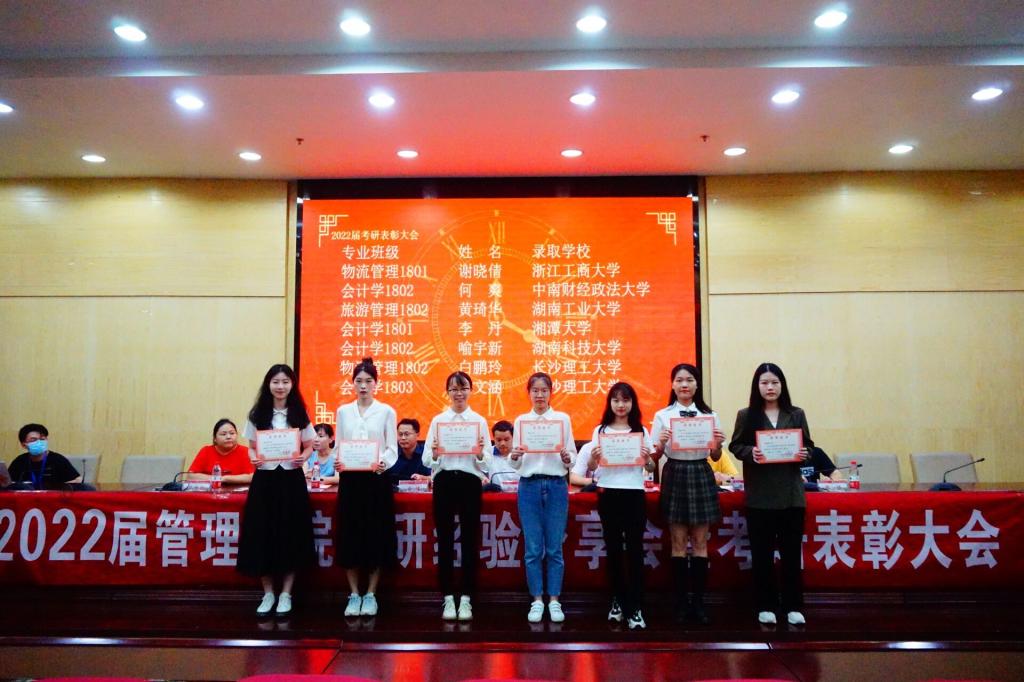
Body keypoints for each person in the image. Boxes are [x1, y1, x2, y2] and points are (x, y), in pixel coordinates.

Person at [728, 362, 813, 627]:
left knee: (791, 554)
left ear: (782, 385)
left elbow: (809, 446)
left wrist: (804, 454)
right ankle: (766, 605)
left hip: (791, 495)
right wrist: (750, 452)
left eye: (775, 382)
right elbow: (735, 445)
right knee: (762, 554)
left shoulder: (796, 414)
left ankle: (793, 605)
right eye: (764, 383)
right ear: (757, 387)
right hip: (760, 496)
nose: (770, 387)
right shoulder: (747, 415)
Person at [574, 382, 655, 630]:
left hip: (634, 494)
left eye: (626, 400)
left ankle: (636, 606)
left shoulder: (641, 430)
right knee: (613, 550)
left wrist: (648, 458)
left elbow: (651, 467)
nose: (621, 405)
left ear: (633, 403)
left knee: (635, 551)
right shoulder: (601, 430)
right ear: (610, 403)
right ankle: (617, 601)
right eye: (616, 400)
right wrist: (595, 458)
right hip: (608, 493)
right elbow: (591, 466)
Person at [237, 364, 316, 617]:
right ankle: (268, 593)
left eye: (285, 382)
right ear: (268, 384)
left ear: (292, 385)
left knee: (291, 534)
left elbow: (309, 445)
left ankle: (286, 594)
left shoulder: (299, 412)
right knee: (263, 533)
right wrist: (253, 457)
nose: (280, 386)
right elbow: (251, 446)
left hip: (292, 479)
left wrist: (304, 457)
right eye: (275, 382)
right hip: (265, 480)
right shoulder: (257, 413)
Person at [651, 363, 726, 625]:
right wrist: (660, 443)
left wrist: (718, 445)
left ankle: (699, 602)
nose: (684, 385)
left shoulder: (709, 415)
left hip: (700, 471)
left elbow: (715, 456)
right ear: (672, 385)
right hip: (675, 471)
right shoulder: (662, 415)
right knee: (678, 542)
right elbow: (653, 457)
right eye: (679, 380)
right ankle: (681, 602)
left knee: (701, 541)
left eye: (690, 380)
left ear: (697, 384)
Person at [422, 371, 491, 621]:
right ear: (447, 392)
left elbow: (487, 463)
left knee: (470, 541)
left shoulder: (479, 421)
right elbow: (426, 459)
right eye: (453, 389)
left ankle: (467, 598)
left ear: (470, 391)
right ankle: (448, 597)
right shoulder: (439, 421)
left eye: (463, 389)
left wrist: (480, 453)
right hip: (444, 481)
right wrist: (435, 453)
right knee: (445, 540)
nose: (458, 393)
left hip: (470, 482)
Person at [333, 357, 399, 618]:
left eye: (368, 381)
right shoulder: (343, 412)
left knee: (375, 535)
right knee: (350, 535)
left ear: (376, 384)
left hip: (376, 480)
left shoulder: (386, 411)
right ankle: (353, 594)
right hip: (350, 481)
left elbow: (391, 448)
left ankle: (370, 594)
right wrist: (338, 461)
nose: (363, 386)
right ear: (352, 383)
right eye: (358, 381)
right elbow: (339, 445)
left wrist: (383, 463)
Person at [509, 372, 577, 623]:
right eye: (535, 390)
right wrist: (514, 456)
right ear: (529, 393)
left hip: (557, 485)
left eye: (544, 390)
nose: (539, 395)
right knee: (533, 548)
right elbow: (515, 464)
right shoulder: (521, 421)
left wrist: (568, 458)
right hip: (529, 486)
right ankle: (537, 600)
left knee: (554, 547)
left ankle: (554, 600)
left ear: (551, 393)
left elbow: (572, 457)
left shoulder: (562, 419)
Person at [8, 423, 81, 489]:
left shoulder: (58, 460)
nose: (39, 442)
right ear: (24, 445)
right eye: (34, 440)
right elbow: (8, 484)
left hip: (52, 497)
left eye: (42, 439)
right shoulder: (19, 461)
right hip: (26, 498)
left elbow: (77, 480)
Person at [187, 418, 254, 485]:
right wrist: (218, 479)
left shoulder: (246, 451)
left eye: (232, 433)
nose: (228, 437)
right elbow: (190, 476)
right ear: (215, 438)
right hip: (211, 490)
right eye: (223, 434)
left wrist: (226, 479)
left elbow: (252, 477)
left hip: (239, 491)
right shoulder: (206, 451)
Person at [386, 418, 431, 482]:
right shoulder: (391, 452)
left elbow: (435, 476)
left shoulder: (427, 452)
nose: (403, 438)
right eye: (400, 434)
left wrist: (424, 478)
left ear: (417, 434)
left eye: (407, 434)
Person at [484, 420, 519, 490]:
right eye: (499, 440)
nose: (502, 443)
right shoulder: (487, 453)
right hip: (495, 495)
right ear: (493, 438)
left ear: (513, 438)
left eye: (506, 439)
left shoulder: (520, 453)